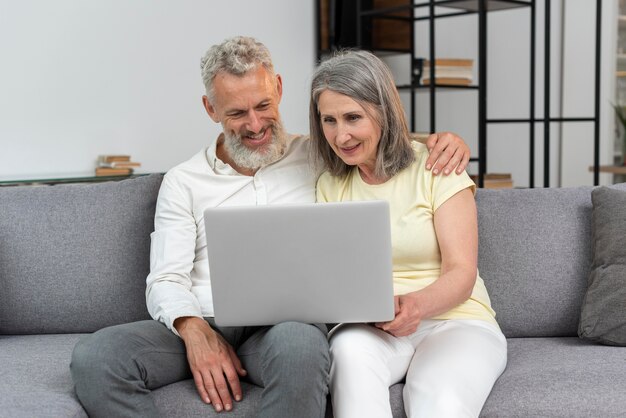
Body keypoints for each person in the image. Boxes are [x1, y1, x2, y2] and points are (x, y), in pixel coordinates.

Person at [70, 37, 471, 418]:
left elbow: (368, 136)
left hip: (284, 329)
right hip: (206, 320)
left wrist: (440, 140)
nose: (256, 124)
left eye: (263, 105)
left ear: (278, 88)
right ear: (210, 109)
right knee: (97, 358)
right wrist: (193, 331)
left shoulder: (318, 156)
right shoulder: (183, 180)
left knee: (300, 347)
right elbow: (165, 278)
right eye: (236, 113)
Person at [309, 49, 508, 418]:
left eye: (353, 117)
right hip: (374, 328)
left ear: (383, 111)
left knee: (440, 400)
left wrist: (415, 306)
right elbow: (337, 275)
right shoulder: (329, 185)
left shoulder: (438, 167)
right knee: (348, 355)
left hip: (456, 320)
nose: (342, 135)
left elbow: (462, 273)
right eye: (329, 120)